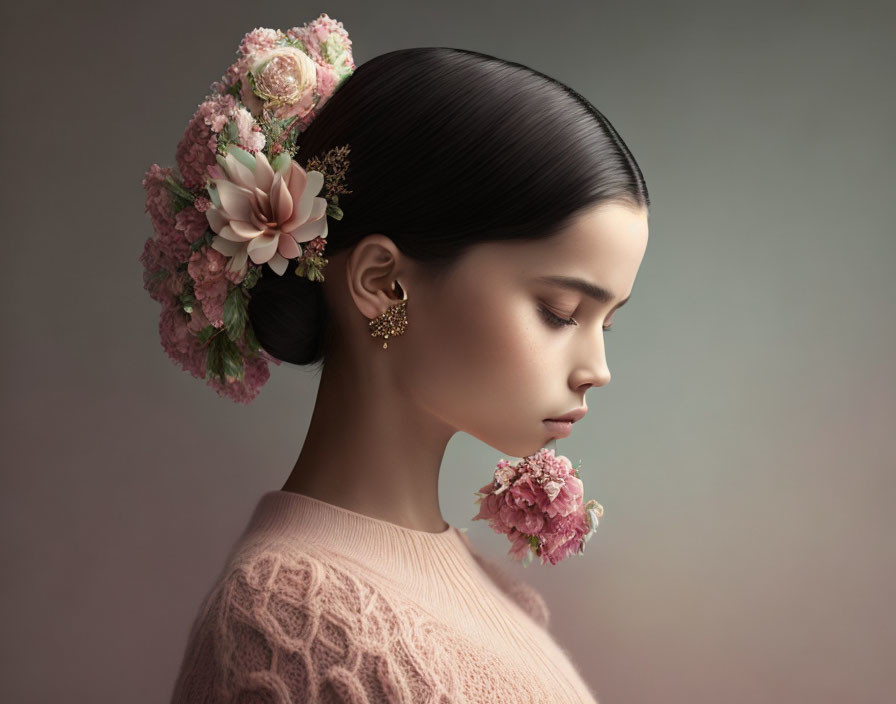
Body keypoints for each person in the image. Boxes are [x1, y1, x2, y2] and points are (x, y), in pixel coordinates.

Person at [159, 21, 649, 703]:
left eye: (607, 321)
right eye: (561, 311)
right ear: (384, 283)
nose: (597, 367)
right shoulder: (280, 619)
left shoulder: (487, 589)